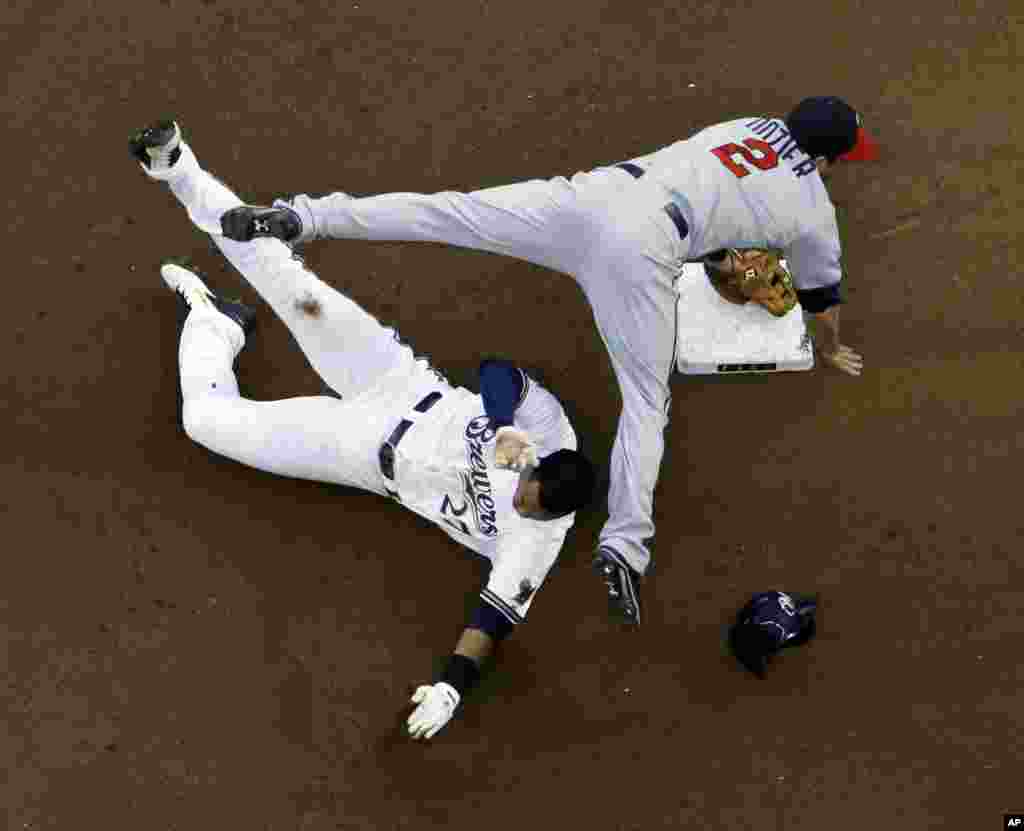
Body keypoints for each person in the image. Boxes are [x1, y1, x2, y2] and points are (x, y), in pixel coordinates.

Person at [217, 96, 878, 627]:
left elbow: (733, 192)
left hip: (589, 198)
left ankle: (303, 219)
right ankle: (626, 542)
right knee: (647, 400)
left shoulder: (749, 124)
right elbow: (820, 298)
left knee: (451, 212)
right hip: (639, 252)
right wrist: (830, 346)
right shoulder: (813, 210)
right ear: (830, 159)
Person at [129, 119, 596, 741]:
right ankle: (176, 165)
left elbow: (493, 619)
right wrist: (503, 422)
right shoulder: (548, 430)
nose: (518, 497)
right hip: (396, 379)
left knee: (205, 422)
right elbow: (496, 372)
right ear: (542, 467)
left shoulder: (536, 543)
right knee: (289, 282)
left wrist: (453, 685)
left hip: (356, 453)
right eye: (527, 487)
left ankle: (217, 325)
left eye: (526, 507)